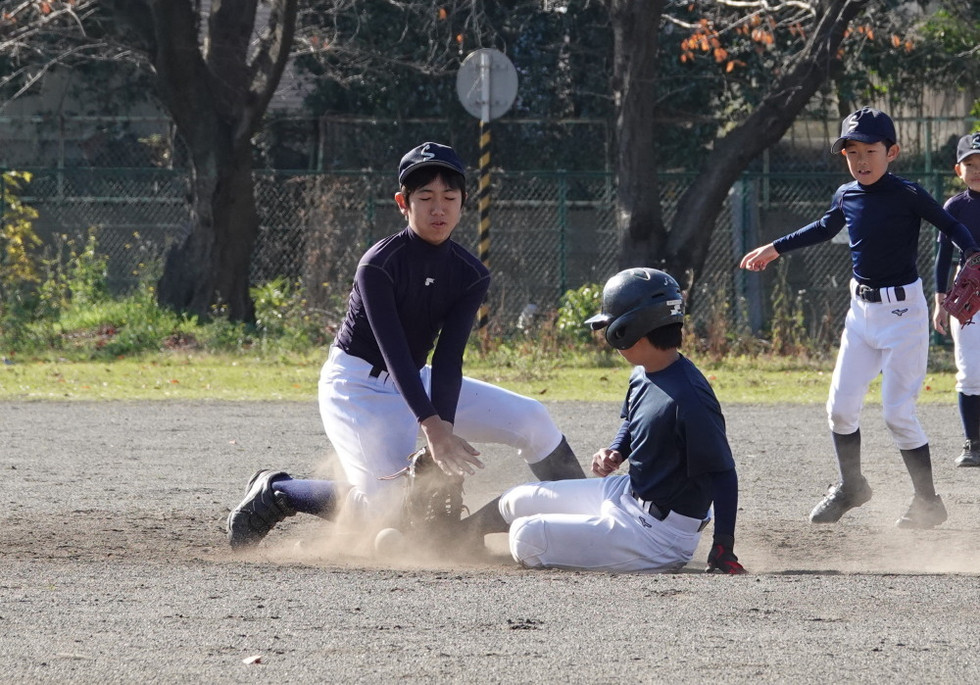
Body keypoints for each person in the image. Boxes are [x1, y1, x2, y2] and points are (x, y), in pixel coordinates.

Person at [226, 141, 585, 549]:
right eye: (425, 198)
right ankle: (280, 491)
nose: (439, 209)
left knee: (532, 419)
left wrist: (444, 428)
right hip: (357, 388)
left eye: (449, 197)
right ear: (403, 203)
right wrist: (433, 429)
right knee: (384, 506)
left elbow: (448, 358)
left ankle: (584, 513)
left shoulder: (470, 274)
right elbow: (393, 350)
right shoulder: (378, 265)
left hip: (417, 380)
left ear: (463, 202)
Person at [739, 107, 980, 529]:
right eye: (852, 152)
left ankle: (928, 502)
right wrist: (775, 248)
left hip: (904, 314)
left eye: (870, 150)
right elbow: (824, 226)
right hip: (861, 315)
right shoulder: (846, 194)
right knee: (839, 409)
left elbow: (950, 225)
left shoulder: (908, 194)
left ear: (892, 152)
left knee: (897, 413)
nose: (861, 160)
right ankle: (852, 486)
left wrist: (974, 253)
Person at [459, 268, 746, 574]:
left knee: (526, 536)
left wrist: (723, 546)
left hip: (659, 535)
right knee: (517, 500)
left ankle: (610, 543)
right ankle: (454, 536)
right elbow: (634, 422)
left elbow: (723, 473)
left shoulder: (690, 399)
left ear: (629, 328)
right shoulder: (645, 371)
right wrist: (617, 450)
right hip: (628, 494)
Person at [933, 132, 980, 467]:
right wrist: (939, 301)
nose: (977, 170)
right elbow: (943, 258)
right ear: (957, 169)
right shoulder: (955, 207)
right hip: (969, 297)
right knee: (970, 371)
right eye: (970, 164)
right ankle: (973, 443)